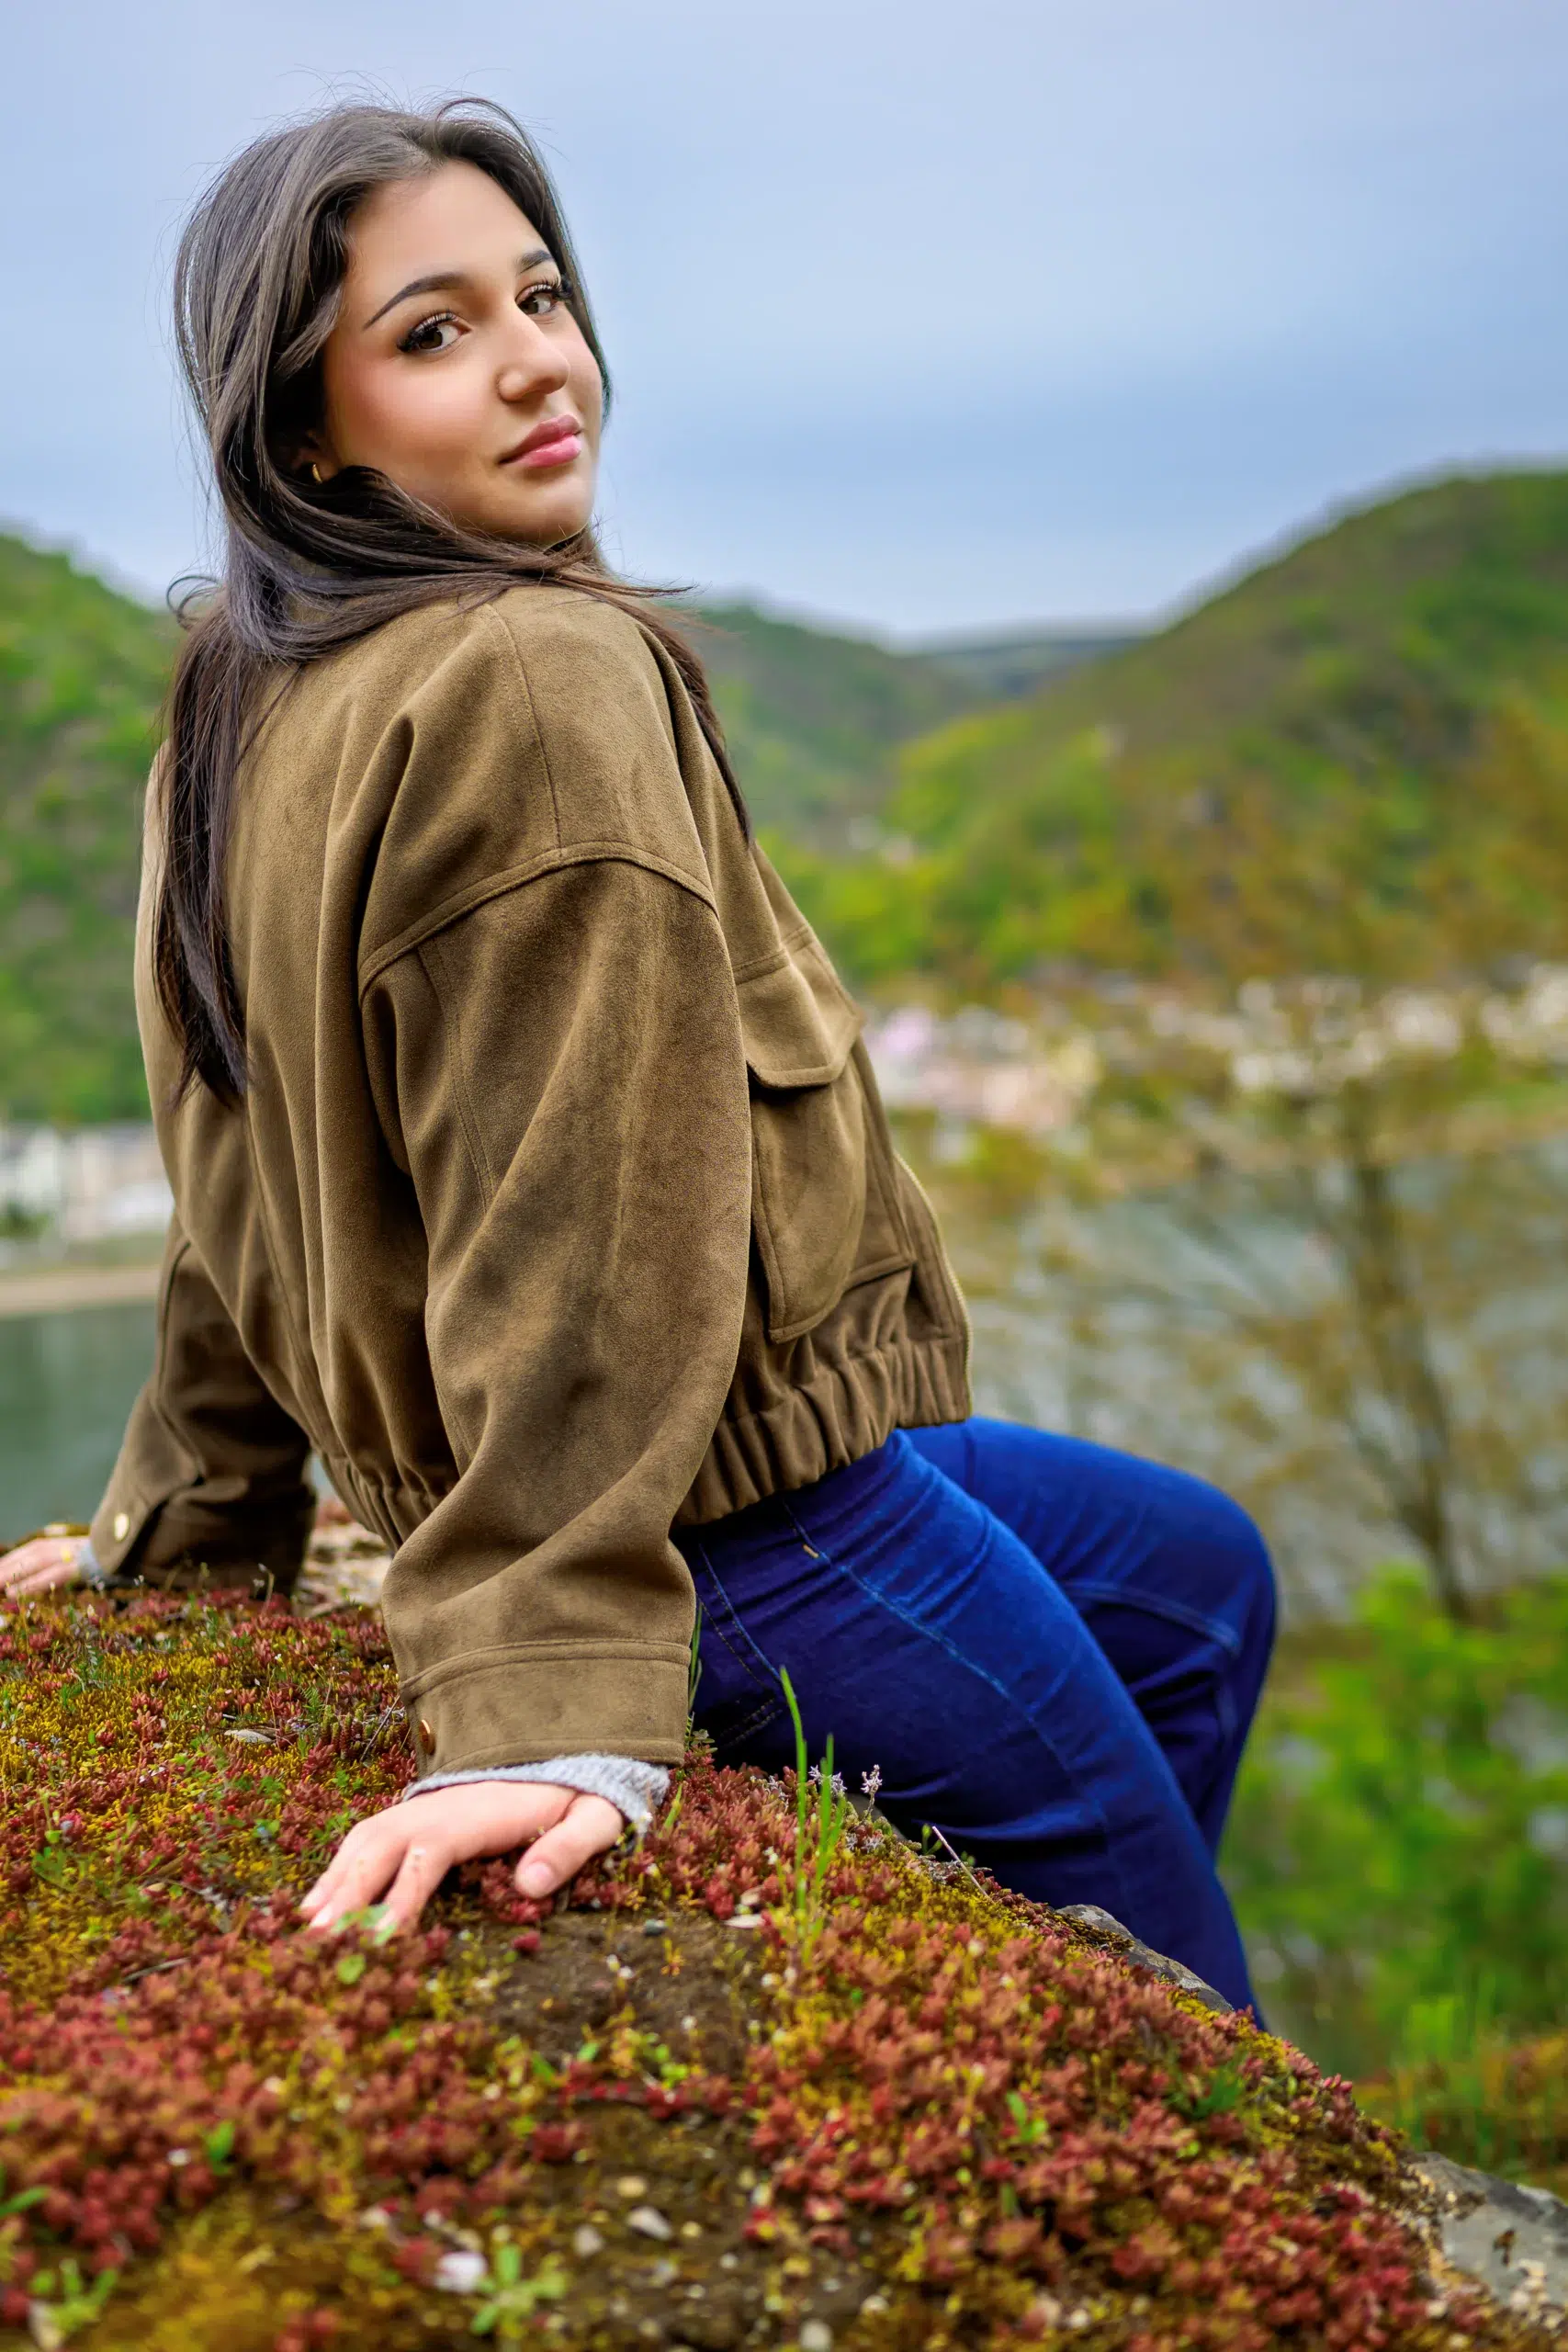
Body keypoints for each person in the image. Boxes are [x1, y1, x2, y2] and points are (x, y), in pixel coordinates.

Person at [0, 101, 1274, 2012]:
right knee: (1185, 1997)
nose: (535, 358)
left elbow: (245, 1165)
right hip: (741, 1521)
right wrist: (543, 1691)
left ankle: (924, 1920)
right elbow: (574, 1212)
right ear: (299, 431)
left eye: (540, 292)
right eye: (430, 332)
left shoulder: (240, 697)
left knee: (1196, 1582)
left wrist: (185, 1523)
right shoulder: (535, 672)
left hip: (780, 1437)